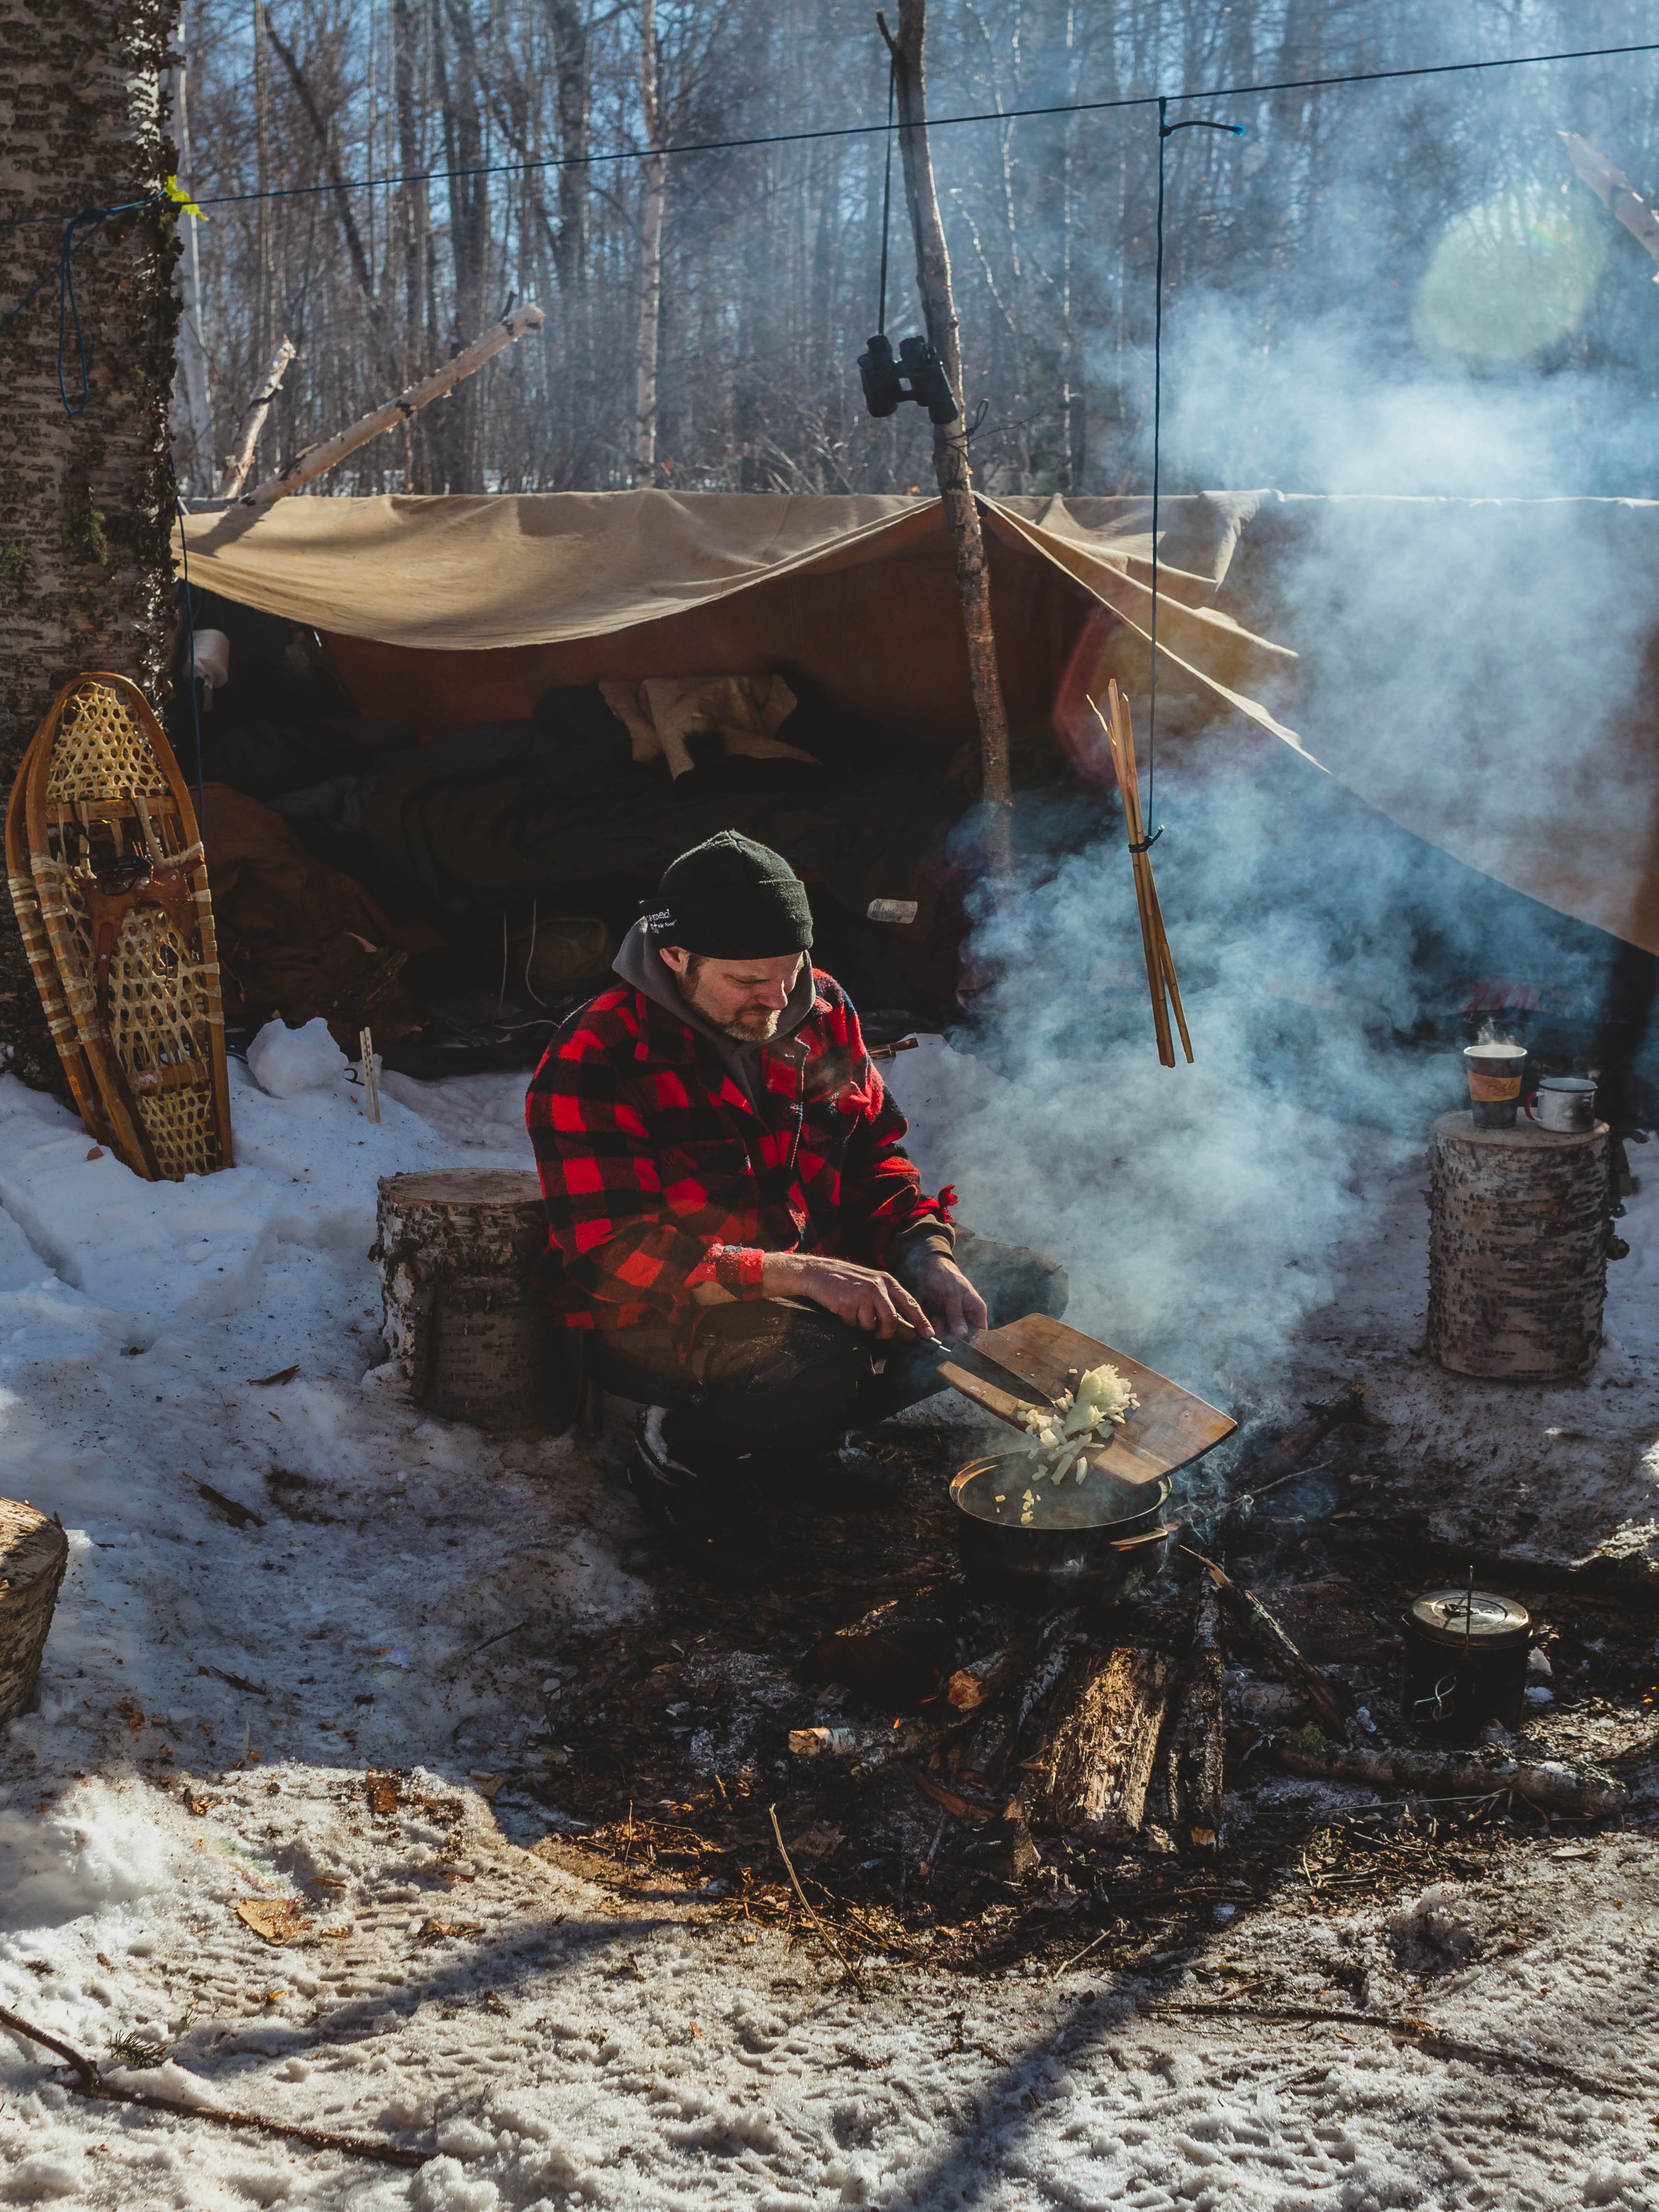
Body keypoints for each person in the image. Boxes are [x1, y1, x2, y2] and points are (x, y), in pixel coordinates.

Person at [525, 831, 1064, 1530]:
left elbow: (875, 1154)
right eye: (748, 981)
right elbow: (613, 1259)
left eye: (790, 970)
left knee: (1021, 1291)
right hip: (666, 1312)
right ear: (674, 956)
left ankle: (805, 1437)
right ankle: (683, 1450)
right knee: (815, 1361)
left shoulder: (820, 1006)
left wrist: (925, 1252)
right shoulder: (598, 1053)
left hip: (813, 1273)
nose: (776, 998)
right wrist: (804, 1276)